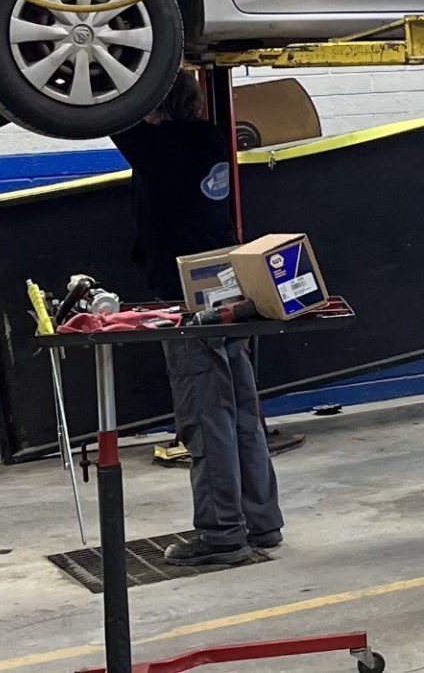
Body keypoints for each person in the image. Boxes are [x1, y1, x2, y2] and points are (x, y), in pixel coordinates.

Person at [113, 72, 283, 567]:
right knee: (240, 410)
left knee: (205, 417)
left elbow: (108, 111)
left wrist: (135, 85)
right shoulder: (209, 137)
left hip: (186, 299)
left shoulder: (158, 146)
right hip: (229, 287)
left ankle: (222, 535)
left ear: (156, 105)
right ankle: (261, 522)